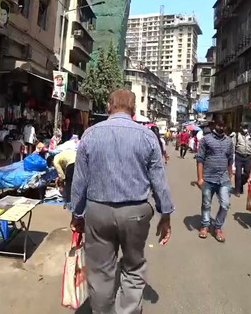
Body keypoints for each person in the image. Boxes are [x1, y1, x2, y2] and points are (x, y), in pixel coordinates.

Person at [69, 89, 174, 314]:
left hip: (98, 212)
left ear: (109, 106)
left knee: (100, 272)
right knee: (134, 267)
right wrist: (165, 215)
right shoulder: (147, 136)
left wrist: (77, 215)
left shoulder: (91, 134)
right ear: (134, 110)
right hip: (135, 213)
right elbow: (159, 180)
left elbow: (80, 180)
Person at [196, 120, 234, 242]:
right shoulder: (206, 140)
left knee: (225, 204)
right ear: (214, 126)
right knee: (206, 204)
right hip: (208, 178)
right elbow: (200, 159)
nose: (221, 127)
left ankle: (217, 227)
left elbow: (230, 160)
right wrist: (200, 178)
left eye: (223, 125)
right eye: (219, 125)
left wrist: (230, 176)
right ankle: (205, 225)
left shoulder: (229, 141)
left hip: (223, 179)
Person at [235, 123, 251, 197]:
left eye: (246, 127)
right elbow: (233, 145)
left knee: (247, 174)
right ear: (241, 127)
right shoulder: (237, 135)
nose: (245, 129)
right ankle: (237, 190)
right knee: (238, 174)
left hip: (247, 157)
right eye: (243, 127)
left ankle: (240, 185)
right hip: (239, 156)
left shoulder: (250, 135)